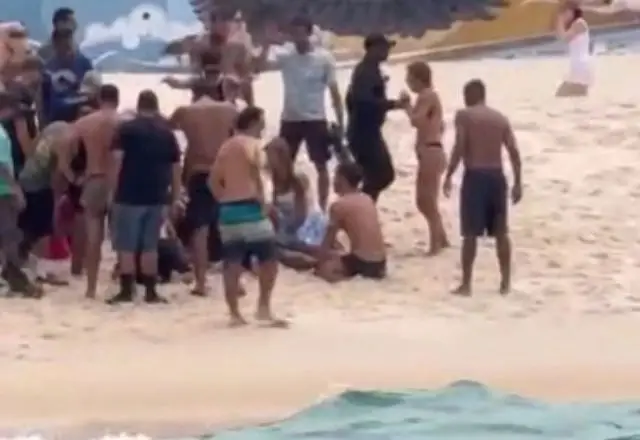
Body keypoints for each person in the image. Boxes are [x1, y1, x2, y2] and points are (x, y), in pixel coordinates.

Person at [443, 79, 523, 296]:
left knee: (470, 234)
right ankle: (505, 283)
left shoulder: (464, 115)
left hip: (476, 177)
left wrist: (449, 174)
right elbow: (514, 152)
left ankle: (466, 284)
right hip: (497, 177)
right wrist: (518, 182)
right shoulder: (500, 118)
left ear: (470, 95)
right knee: (501, 233)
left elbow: (460, 146)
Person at [257, 16, 344, 211]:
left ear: (309, 33)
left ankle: (322, 208)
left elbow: (334, 92)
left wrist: (340, 121)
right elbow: (259, 67)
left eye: (300, 32)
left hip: (316, 119)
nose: (297, 37)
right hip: (290, 119)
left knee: (321, 165)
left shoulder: (324, 58)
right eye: (293, 32)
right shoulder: (287, 56)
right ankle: (279, 204)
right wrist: (266, 44)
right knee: (281, 165)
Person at [209, 106, 285, 328]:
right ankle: (263, 307)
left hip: (228, 211)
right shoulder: (253, 145)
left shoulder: (226, 146)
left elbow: (212, 182)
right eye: (262, 122)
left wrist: (224, 199)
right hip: (251, 208)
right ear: (253, 123)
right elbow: (257, 172)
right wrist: (264, 202)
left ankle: (234, 313)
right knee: (269, 260)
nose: (264, 126)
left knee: (232, 264)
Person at [107, 90, 181, 304]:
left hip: (129, 194)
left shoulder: (126, 130)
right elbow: (176, 167)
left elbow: (116, 161)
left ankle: (127, 290)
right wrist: (175, 196)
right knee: (150, 245)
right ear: (156, 107)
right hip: (157, 195)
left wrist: (112, 191)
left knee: (127, 245)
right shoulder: (167, 133)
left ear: (138, 107)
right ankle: (150, 292)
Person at [169, 80, 237, 297]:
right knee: (229, 225)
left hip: (198, 172)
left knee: (200, 228)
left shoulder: (185, 112)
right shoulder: (230, 110)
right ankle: (236, 281)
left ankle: (201, 282)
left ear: (193, 93)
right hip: (224, 171)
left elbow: (166, 129)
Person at [60, 84, 120, 298]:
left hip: (93, 179)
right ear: (117, 100)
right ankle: (124, 283)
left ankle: (91, 288)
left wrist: (71, 176)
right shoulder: (124, 121)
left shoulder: (85, 122)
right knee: (122, 238)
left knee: (93, 238)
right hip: (119, 182)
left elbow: (64, 145)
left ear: (99, 99)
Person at [345, 33, 408, 203]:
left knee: (376, 176)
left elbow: (352, 99)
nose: (387, 51)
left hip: (367, 131)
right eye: (384, 48)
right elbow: (363, 101)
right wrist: (394, 104)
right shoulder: (365, 72)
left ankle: (363, 208)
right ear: (373, 49)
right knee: (382, 175)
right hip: (363, 134)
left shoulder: (370, 70)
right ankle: (361, 207)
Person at [401, 61, 449, 255]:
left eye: (409, 78)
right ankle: (441, 238)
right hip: (431, 151)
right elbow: (439, 125)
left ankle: (435, 244)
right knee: (427, 200)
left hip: (430, 151)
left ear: (418, 79)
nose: (407, 82)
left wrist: (406, 105)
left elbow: (417, 121)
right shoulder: (430, 97)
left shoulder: (427, 96)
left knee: (426, 201)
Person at [314, 162, 387, 282]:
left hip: (362, 262)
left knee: (324, 269)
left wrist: (318, 262)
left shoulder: (339, 206)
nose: (333, 181)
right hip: (381, 263)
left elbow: (327, 243)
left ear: (342, 179)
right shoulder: (367, 198)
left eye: (335, 177)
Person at [0, 91, 41, 297]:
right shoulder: (0, 134)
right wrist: (15, 188)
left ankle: (11, 272)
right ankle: (14, 273)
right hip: (3, 189)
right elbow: (2, 166)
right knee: (10, 234)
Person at [40, 28, 93, 125]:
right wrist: (44, 123)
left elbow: (94, 92)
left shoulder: (84, 63)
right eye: (65, 47)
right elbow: (44, 99)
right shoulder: (48, 67)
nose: (69, 51)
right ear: (56, 46)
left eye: (70, 46)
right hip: (56, 121)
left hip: (81, 119)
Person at [555, 2, 592, 97]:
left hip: (581, 65)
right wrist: (560, 21)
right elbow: (561, 37)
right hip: (577, 65)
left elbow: (565, 38)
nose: (565, 15)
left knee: (562, 93)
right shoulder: (575, 25)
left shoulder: (579, 23)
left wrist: (560, 20)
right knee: (574, 94)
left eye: (565, 12)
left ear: (572, 12)